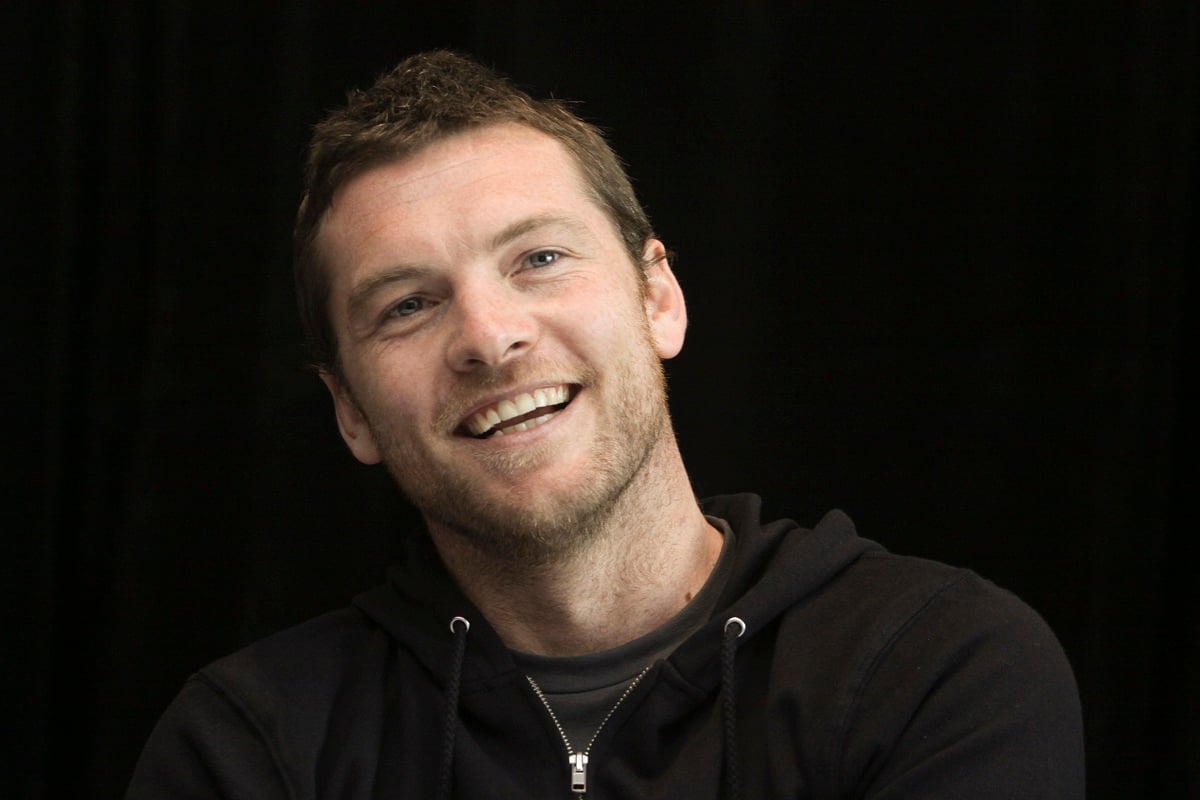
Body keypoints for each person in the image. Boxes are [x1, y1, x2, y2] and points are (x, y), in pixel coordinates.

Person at [127, 50, 1084, 799]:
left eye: (539, 257)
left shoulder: (932, 667)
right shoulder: (250, 746)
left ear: (658, 297)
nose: (489, 336)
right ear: (349, 411)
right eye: (408, 305)